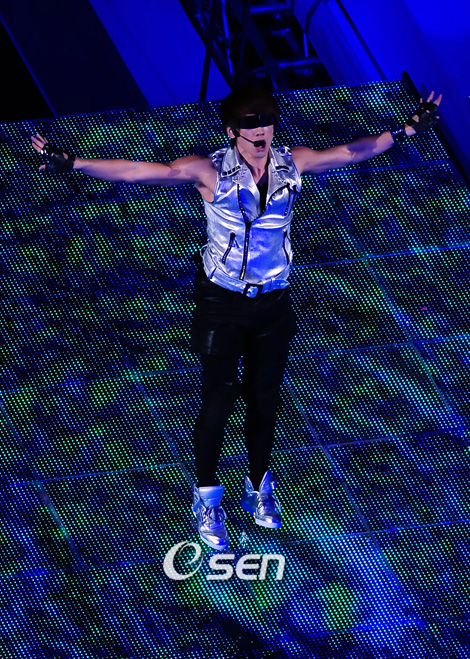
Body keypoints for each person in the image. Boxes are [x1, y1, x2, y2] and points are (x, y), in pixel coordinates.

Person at [32, 85, 441, 550]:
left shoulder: (293, 163)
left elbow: (351, 152)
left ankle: (259, 485)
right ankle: (207, 496)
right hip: (222, 303)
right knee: (219, 400)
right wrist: (75, 163)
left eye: (266, 124)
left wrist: (407, 131)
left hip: (273, 302)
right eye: (251, 128)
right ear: (232, 132)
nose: (261, 134)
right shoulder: (208, 172)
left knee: (264, 400)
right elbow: (137, 171)